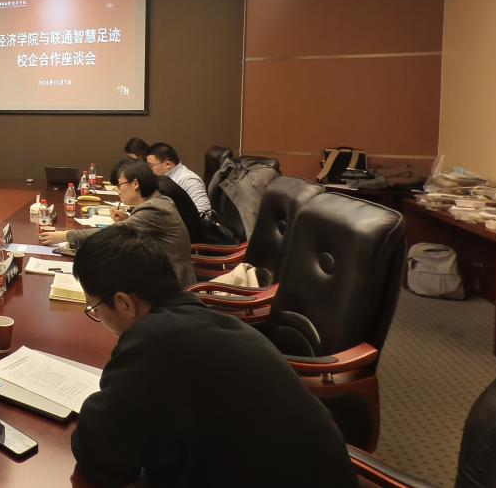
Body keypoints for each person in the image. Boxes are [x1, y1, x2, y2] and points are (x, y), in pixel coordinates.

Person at [69, 225, 357, 488]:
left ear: (124, 303)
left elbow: (99, 457)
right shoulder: (203, 319)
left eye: (95, 309)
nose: (99, 319)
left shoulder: (153, 342)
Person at [40, 159, 195, 288]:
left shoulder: (154, 208)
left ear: (135, 183)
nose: (118, 190)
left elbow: (113, 233)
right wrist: (128, 218)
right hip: (162, 274)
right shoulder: (159, 201)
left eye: (120, 185)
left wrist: (65, 235)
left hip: (171, 286)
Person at [146, 142, 211, 214]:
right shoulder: (161, 179)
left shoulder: (189, 180)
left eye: (151, 166)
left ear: (167, 164)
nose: (149, 170)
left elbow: (204, 213)